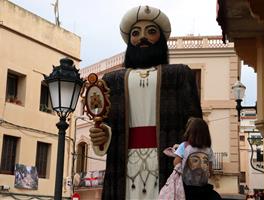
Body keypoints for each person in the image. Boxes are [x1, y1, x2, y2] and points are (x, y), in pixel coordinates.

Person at [89, 5, 202, 200]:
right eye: (136, 33)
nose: (142, 37)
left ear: (161, 39)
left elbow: (195, 123)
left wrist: (189, 155)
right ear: (129, 40)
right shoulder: (112, 81)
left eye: (151, 31)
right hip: (124, 161)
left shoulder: (180, 75)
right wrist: (102, 134)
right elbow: (107, 121)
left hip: (167, 159)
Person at [174, 117, 222, 200]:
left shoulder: (184, 146)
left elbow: (176, 163)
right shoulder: (208, 149)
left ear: (190, 132)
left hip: (187, 189)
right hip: (203, 190)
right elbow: (210, 170)